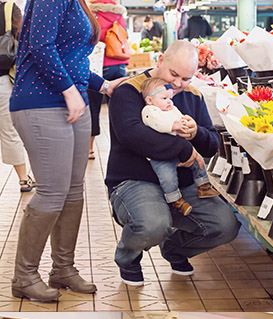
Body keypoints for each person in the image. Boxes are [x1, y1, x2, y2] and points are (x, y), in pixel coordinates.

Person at [9, 0, 127, 303]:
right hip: (41, 102)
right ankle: (24, 276)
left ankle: (63, 269)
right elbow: (40, 46)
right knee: (52, 191)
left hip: (72, 103)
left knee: (74, 191)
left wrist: (103, 87)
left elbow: (72, 58)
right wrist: (69, 90)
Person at [105, 39, 241, 286]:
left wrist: (196, 132)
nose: (178, 84)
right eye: (174, 74)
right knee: (153, 223)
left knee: (225, 225)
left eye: (186, 78)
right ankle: (128, 257)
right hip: (135, 180)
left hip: (183, 183)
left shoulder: (193, 96)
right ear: (160, 61)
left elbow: (211, 144)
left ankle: (175, 250)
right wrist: (182, 147)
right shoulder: (130, 91)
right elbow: (132, 135)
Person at [141, 77, 219, 216]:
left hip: (180, 151)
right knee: (168, 177)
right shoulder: (150, 111)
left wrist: (187, 123)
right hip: (161, 156)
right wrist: (173, 126)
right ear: (149, 100)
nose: (169, 102)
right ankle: (175, 200)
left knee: (198, 161)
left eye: (170, 98)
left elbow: (179, 116)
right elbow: (157, 125)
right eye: (164, 98)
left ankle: (203, 185)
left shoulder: (171, 108)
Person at [87, 0, 130, 160]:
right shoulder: (119, 14)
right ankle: (120, 147)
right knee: (119, 108)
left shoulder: (93, 13)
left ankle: (90, 149)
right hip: (119, 64)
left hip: (100, 65)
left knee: (94, 107)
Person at [0, 0, 35, 193]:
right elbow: (23, 38)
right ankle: (23, 179)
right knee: (9, 131)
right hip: (3, 79)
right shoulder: (9, 8)